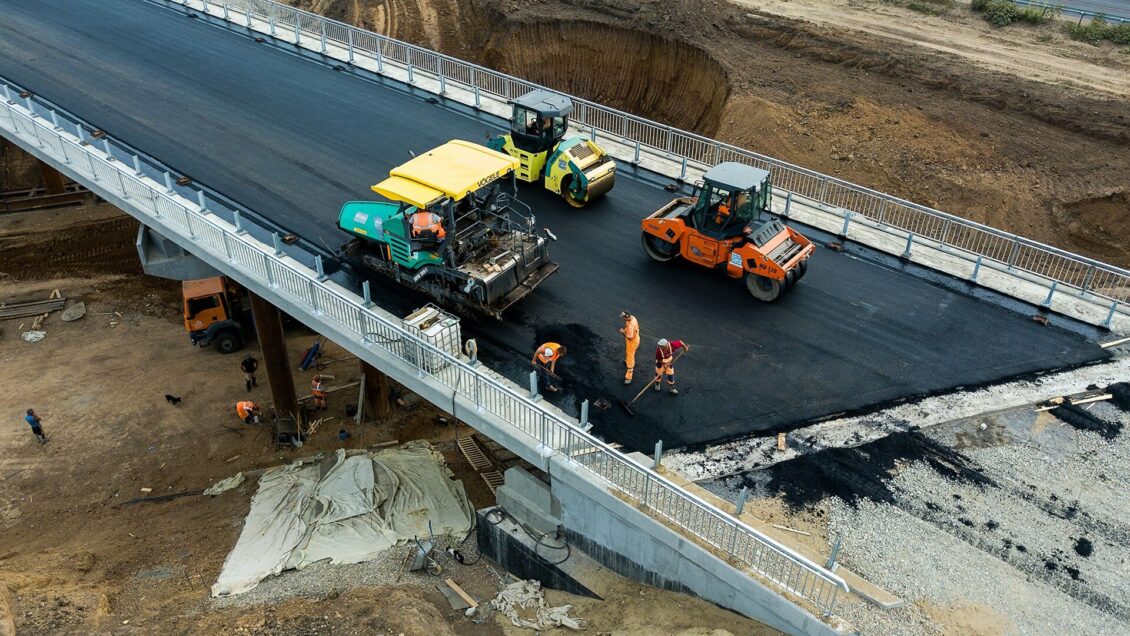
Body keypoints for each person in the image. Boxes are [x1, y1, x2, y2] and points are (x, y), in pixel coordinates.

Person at [619, 311, 640, 385]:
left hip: (632, 343)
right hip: (636, 338)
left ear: (626, 317)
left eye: (623, 317)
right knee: (628, 354)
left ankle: (629, 376)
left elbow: (630, 338)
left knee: (630, 357)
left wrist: (623, 332)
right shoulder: (633, 318)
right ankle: (628, 361)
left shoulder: (631, 326)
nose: (622, 318)